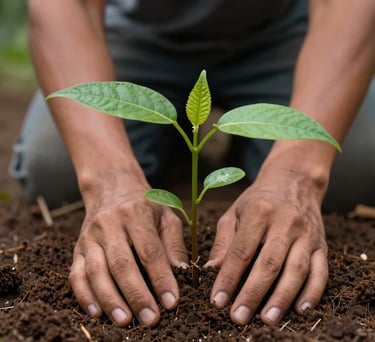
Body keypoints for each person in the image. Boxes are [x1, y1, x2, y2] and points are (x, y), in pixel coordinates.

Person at [9, 0, 375, 328]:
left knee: (356, 166)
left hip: (290, 32)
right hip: (134, 34)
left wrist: (299, 175)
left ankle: (242, 145)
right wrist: (108, 178)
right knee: (55, 170)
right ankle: (176, 142)